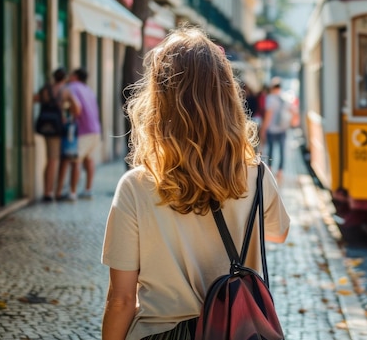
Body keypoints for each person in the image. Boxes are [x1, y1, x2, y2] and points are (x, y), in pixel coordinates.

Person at [100, 26, 290, 340]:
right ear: (226, 96)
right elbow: (278, 233)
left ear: (158, 101)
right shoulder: (255, 176)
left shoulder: (135, 187)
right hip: (236, 331)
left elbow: (120, 299)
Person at [33, 67, 80, 202]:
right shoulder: (65, 91)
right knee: (54, 160)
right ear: (64, 78)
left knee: (50, 159)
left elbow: (35, 99)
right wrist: (65, 108)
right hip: (57, 128)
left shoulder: (45, 89)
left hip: (44, 125)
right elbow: (77, 108)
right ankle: (48, 192)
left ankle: (49, 190)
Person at [55, 68, 101, 201]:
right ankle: (88, 190)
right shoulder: (88, 90)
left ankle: (72, 192)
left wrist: (69, 114)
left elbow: (76, 107)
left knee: (76, 161)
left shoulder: (72, 88)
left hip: (82, 130)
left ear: (75, 76)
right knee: (89, 159)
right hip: (95, 130)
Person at [260, 77, 292, 181]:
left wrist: (263, 129)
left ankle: (269, 169)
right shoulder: (285, 98)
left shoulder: (270, 98)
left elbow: (268, 115)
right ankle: (280, 171)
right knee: (282, 151)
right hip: (282, 129)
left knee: (271, 150)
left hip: (272, 129)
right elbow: (293, 112)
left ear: (272, 87)